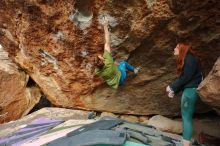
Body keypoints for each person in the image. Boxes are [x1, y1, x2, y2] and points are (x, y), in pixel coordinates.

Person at [166, 42, 203, 146]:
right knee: (187, 117)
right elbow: (187, 79)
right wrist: (174, 91)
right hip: (190, 90)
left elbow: (186, 77)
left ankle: (185, 144)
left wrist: (172, 87)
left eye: (176, 47)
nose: (174, 49)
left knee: (186, 118)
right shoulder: (189, 59)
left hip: (190, 92)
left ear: (182, 49)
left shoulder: (190, 59)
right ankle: (187, 141)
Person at [94, 17, 140, 89]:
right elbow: (107, 42)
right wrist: (105, 25)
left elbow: (98, 65)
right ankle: (134, 70)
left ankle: (121, 83)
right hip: (120, 77)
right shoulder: (108, 60)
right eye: (100, 56)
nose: (100, 55)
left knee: (117, 71)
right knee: (123, 63)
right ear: (103, 60)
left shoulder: (98, 72)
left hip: (113, 84)